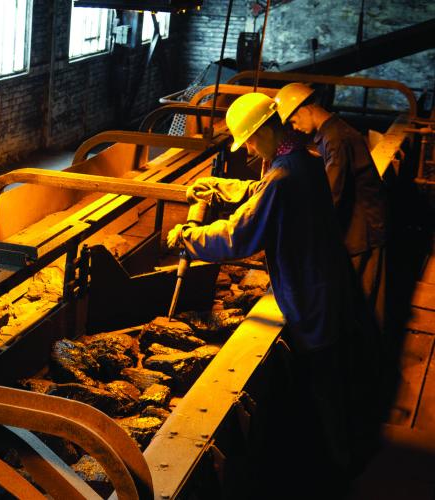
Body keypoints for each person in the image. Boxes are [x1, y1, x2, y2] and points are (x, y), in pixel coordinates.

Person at [166, 92, 379, 493]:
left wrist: (187, 237)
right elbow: (263, 195)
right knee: (330, 380)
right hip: (323, 286)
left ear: (265, 130)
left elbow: (238, 236)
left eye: (248, 139)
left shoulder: (285, 176)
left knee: (324, 387)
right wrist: (223, 188)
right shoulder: (302, 159)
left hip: (309, 296)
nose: (247, 147)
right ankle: (338, 460)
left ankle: (338, 473)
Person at [276, 82, 388, 330]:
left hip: (363, 235)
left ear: (305, 109)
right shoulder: (331, 134)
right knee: (359, 307)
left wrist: (296, 233)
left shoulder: (336, 139)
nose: (296, 128)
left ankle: (375, 366)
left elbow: (331, 196)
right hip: (358, 230)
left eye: (293, 121)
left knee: (365, 309)